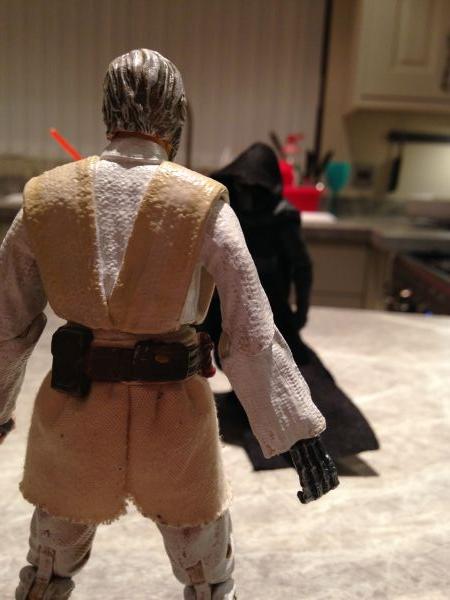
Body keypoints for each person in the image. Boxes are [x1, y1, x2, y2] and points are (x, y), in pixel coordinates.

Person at [0, 51, 338, 600]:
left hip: (77, 409)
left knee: (48, 563)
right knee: (207, 570)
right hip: (171, 413)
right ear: (177, 114)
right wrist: (298, 436)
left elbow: (7, 323)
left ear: (106, 109)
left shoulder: (45, 198)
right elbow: (249, 334)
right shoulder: (203, 205)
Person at [204, 143, 379, 469]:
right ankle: (246, 410)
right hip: (222, 298)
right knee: (223, 358)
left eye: (254, 188)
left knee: (286, 366)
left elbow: (301, 266)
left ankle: (320, 435)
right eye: (242, 187)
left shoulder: (281, 217)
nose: (248, 195)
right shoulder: (225, 211)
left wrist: (302, 309)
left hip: (270, 302)